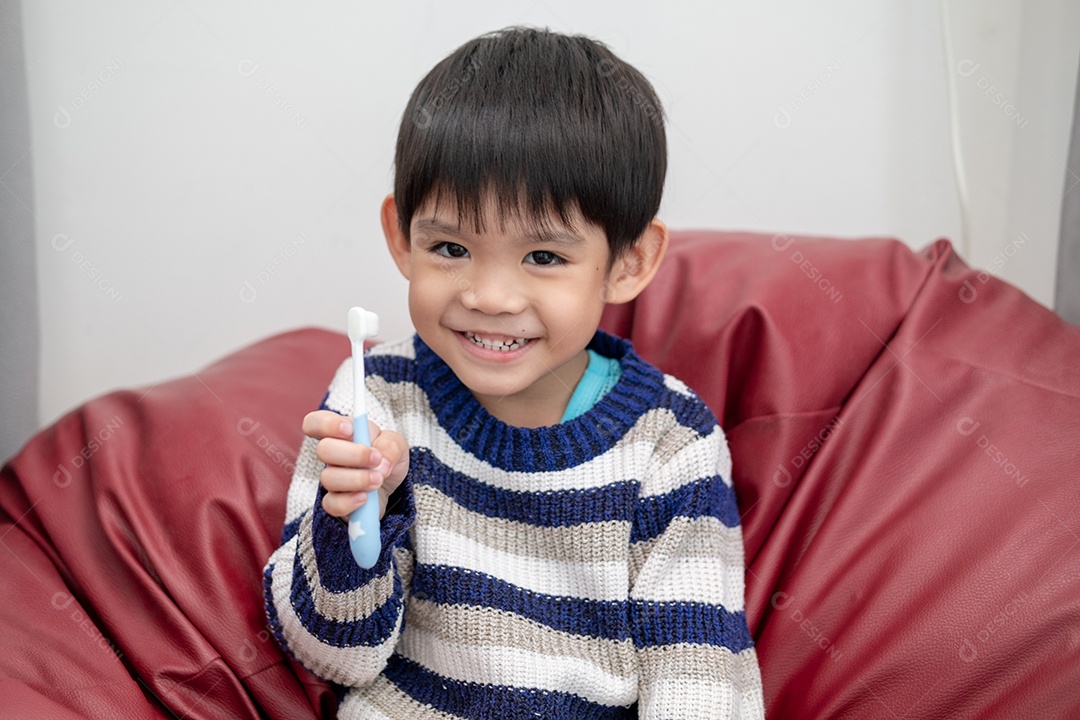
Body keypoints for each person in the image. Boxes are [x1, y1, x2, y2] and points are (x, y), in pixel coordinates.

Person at [263, 25, 764, 719]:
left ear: (629, 263)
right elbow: (333, 657)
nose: (490, 297)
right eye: (450, 246)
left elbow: (701, 680)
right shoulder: (374, 405)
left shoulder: (671, 444)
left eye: (544, 258)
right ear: (400, 238)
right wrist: (350, 522)